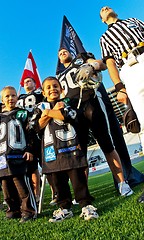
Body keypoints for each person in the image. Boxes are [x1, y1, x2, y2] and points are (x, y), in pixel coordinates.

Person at [57, 47, 133, 197]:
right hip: (74, 112)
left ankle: (122, 183)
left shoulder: (81, 59)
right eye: (59, 53)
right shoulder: (59, 76)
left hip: (92, 103)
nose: (62, 53)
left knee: (107, 145)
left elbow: (102, 65)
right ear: (59, 60)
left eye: (64, 51)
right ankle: (84, 193)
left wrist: (92, 66)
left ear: (71, 53)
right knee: (80, 153)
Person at [36, 76, 98, 222]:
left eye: (55, 86)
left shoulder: (68, 103)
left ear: (61, 89)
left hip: (70, 148)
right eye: (49, 87)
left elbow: (69, 116)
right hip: (52, 151)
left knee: (78, 180)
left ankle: (86, 205)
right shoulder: (39, 108)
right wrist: (49, 112)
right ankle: (64, 208)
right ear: (44, 92)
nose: (52, 89)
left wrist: (48, 113)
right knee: (58, 182)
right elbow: (35, 126)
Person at [99, 6, 144, 202]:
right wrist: (118, 86)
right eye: (102, 10)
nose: (105, 7)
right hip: (128, 67)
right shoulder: (104, 38)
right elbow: (110, 62)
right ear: (102, 20)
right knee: (143, 121)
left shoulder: (133, 20)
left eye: (107, 6)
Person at [0, 86, 37, 222]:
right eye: (7, 96)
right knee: (6, 188)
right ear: (2, 100)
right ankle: (13, 210)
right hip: (2, 158)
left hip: (18, 156)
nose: (10, 98)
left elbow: (30, 133)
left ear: (17, 97)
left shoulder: (22, 114)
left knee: (22, 186)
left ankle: (29, 211)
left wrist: (29, 149)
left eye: (13, 95)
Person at [17, 77, 43, 203]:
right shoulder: (19, 98)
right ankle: (34, 194)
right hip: (25, 132)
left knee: (46, 163)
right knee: (31, 166)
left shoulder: (40, 93)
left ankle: (54, 192)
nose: (26, 83)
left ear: (34, 83)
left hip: (39, 129)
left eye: (29, 81)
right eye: (25, 82)